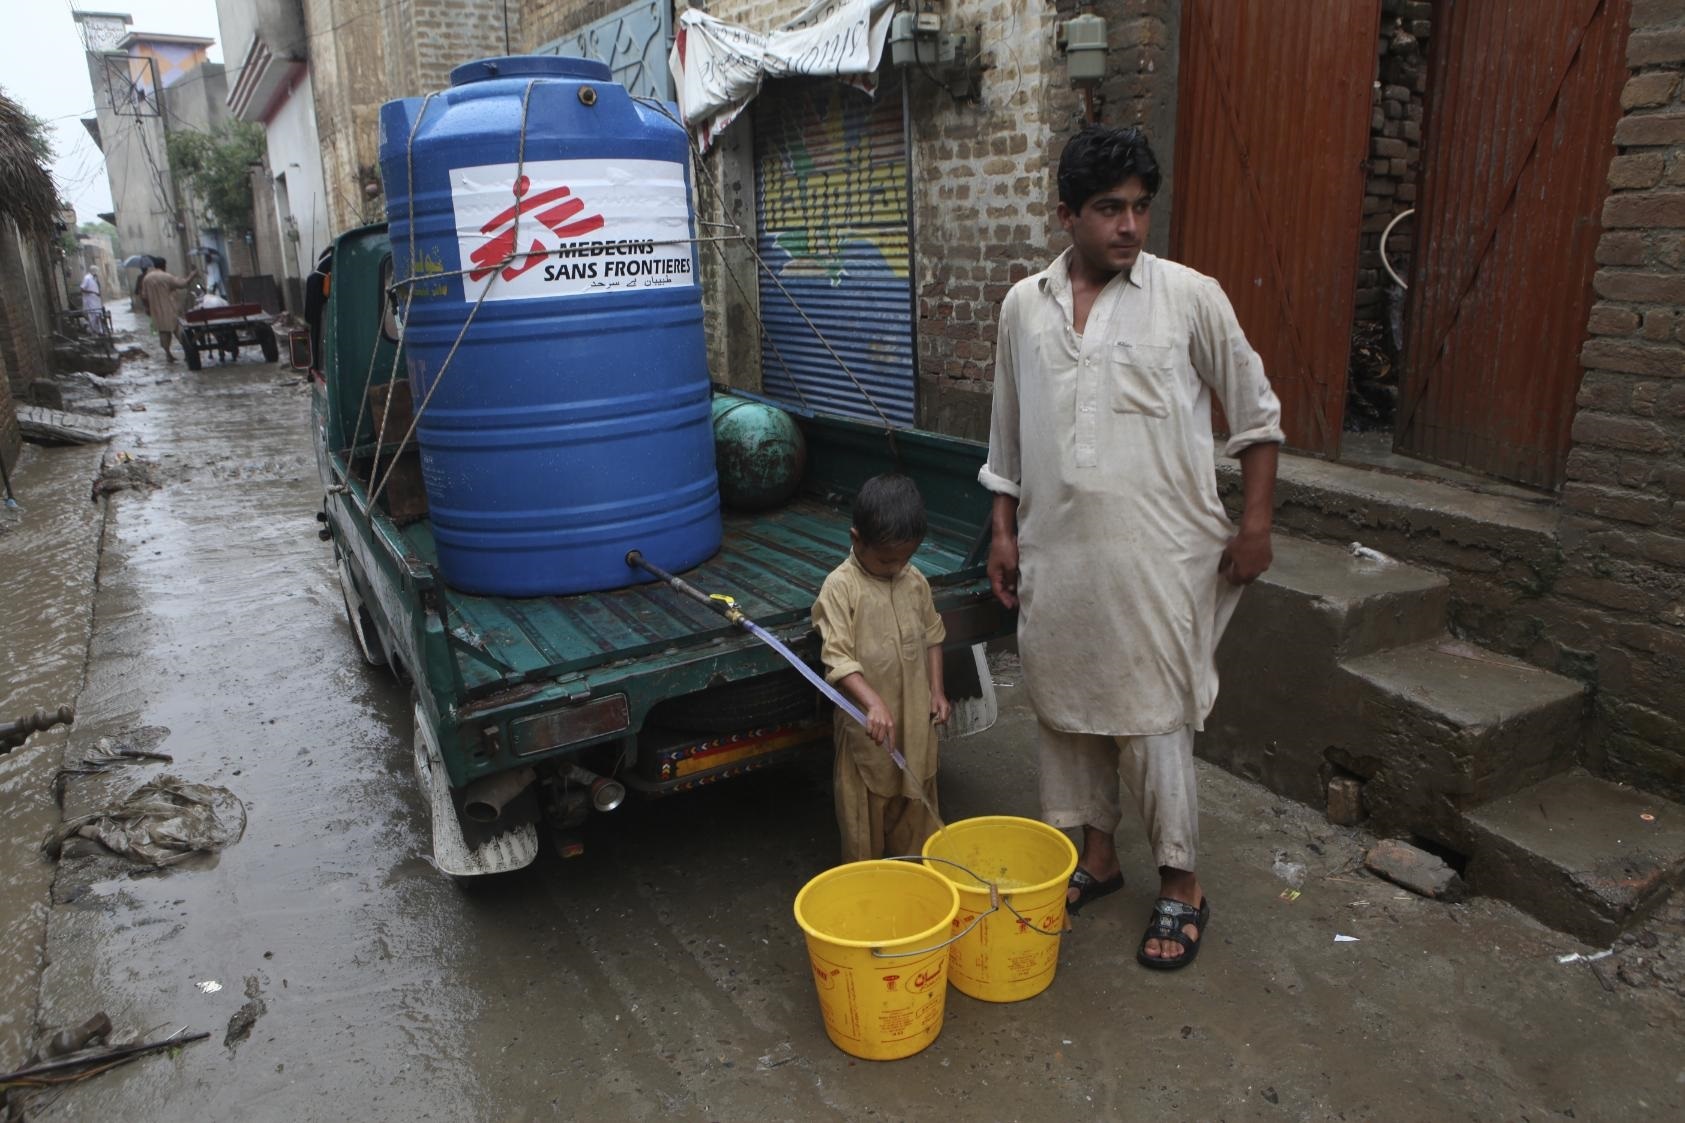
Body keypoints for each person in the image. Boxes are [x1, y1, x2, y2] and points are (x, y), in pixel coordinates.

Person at [979, 125, 1284, 971]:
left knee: (1153, 718)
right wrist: (1003, 531)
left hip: (1159, 559)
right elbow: (1006, 435)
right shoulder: (1022, 306)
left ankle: (1181, 883)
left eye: (1141, 208)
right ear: (1066, 215)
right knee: (1064, 706)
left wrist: (1255, 525)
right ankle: (1098, 857)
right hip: (1055, 550)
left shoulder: (1189, 297)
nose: (1129, 226)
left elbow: (1256, 415)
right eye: (1109, 208)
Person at [812, 474, 953, 863]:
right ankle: (872, 890)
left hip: (916, 727)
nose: (897, 567)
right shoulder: (840, 588)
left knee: (918, 822)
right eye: (887, 559)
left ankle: (917, 886)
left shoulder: (914, 580)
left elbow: (933, 636)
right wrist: (872, 702)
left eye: (906, 558)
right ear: (856, 539)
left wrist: (937, 691)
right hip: (868, 735)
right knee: (865, 831)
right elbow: (837, 658)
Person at [138, 257, 199, 361]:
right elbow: (183, 284)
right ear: (164, 266)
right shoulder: (166, 277)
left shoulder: (147, 278)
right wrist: (192, 275)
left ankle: (168, 354)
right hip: (170, 309)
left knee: (163, 332)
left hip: (156, 312)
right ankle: (187, 353)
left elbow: (143, 296)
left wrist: (147, 308)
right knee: (179, 331)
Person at [79, 267, 103, 334]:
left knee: (98, 316)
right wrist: (93, 292)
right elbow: (82, 289)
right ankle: (92, 331)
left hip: (96, 301)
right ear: (93, 271)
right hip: (90, 302)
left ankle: (99, 331)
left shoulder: (94, 279)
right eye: (96, 272)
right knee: (92, 317)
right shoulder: (87, 278)